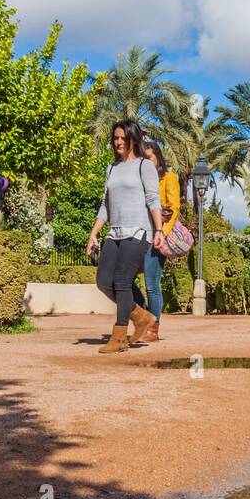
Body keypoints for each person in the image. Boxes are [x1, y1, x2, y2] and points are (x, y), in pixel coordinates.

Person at [87, 120, 164, 355]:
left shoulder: (144, 166)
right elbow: (105, 204)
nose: (118, 142)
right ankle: (141, 316)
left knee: (121, 281)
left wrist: (159, 230)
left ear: (133, 139)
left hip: (139, 232)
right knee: (103, 281)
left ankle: (119, 336)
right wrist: (94, 234)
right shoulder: (112, 168)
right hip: (115, 232)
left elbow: (153, 199)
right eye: (115, 138)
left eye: (123, 138)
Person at [132, 139, 180, 343]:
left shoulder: (168, 178)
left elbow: (174, 208)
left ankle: (153, 329)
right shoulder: (138, 180)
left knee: (152, 284)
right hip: (137, 235)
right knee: (123, 280)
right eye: (143, 158)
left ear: (158, 158)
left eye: (149, 158)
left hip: (156, 238)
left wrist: (162, 234)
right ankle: (144, 314)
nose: (146, 162)